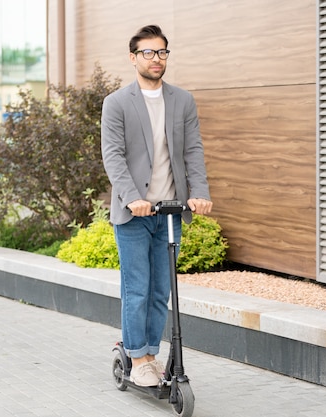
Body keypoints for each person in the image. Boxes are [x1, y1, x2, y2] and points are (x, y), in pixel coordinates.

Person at [101, 24, 212, 387]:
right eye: (148, 52)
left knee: (161, 288)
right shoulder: (117, 102)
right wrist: (132, 198)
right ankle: (140, 357)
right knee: (137, 287)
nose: (156, 59)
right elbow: (113, 157)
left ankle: (150, 349)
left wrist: (199, 192)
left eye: (162, 52)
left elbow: (193, 151)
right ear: (133, 58)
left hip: (169, 212)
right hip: (134, 213)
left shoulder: (182, 100)